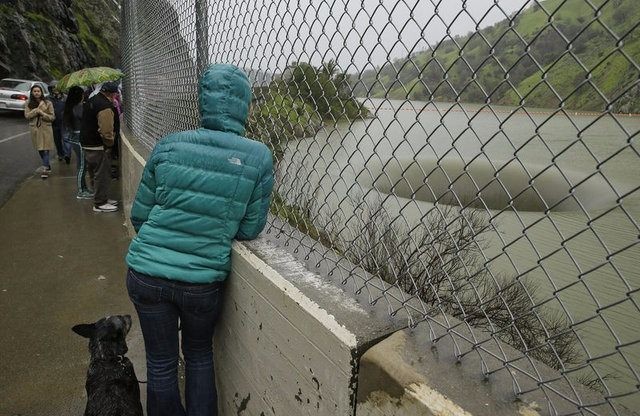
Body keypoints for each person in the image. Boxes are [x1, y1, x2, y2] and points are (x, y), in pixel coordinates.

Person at [125, 63, 274, 416]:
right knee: (198, 356)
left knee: (160, 365)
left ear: (203, 101)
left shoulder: (169, 145)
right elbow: (250, 228)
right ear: (244, 104)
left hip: (146, 274)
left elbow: (140, 215)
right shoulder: (258, 156)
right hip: (201, 284)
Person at [80, 81, 119, 212]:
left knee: (93, 172)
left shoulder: (91, 100)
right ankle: (100, 203)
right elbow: (106, 130)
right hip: (98, 146)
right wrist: (110, 144)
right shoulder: (105, 107)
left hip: (87, 143)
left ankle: (100, 197)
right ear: (112, 94)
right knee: (102, 174)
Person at [63, 86, 93, 199]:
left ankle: (84, 188)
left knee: (81, 165)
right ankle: (81, 191)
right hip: (79, 138)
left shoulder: (70, 107)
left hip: (74, 137)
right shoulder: (79, 107)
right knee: (82, 166)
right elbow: (85, 120)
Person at [24, 84, 55, 179]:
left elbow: (52, 117)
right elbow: (27, 116)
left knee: (46, 150)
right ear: (32, 93)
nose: (36, 93)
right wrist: (35, 111)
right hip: (35, 129)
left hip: (46, 129)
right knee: (40, 149)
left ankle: (45, 168)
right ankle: (47, 165)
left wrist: (42, 113)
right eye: (34, 91)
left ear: (41, 92)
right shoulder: (28, 103)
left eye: (38, 91)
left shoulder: (48, 103)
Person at [49, 85, 69, 164]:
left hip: (64, 122)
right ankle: (60, 154)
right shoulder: (48, 98)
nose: (55, 90)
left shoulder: (65, 97)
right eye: (53, 88)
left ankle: (67, 154)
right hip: (54, 122)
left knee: (66, 138)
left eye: (57, 88)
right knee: (57, 140)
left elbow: (69, 108)